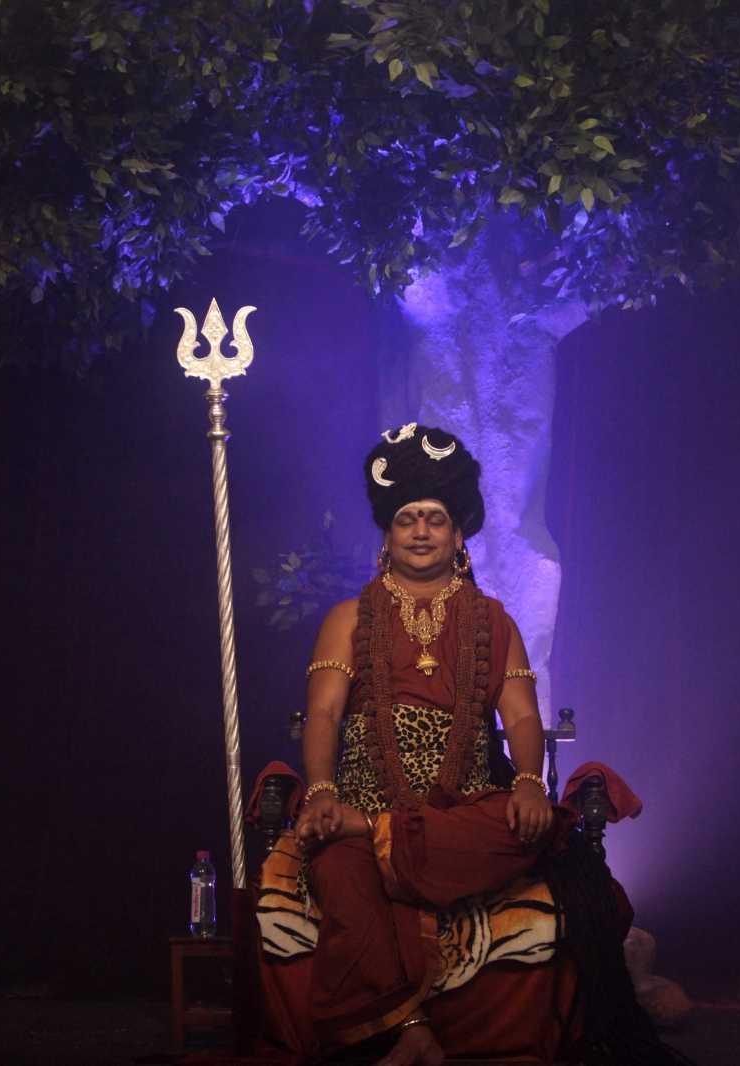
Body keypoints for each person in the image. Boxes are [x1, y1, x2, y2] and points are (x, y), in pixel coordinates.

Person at [293, 422, 558, 1066]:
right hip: (363, 793)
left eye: (434, 519)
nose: (420, 531)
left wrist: (528, 782)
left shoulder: (494, 619)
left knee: (524, 830)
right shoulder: (347, 618)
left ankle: (374, 832)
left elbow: (523, 715)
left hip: (463, 809)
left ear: (458, 534)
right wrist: (322, 791)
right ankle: (410, 1027)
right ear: (387, 534)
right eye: (407, 518)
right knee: (340, 869)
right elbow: (323, 713)